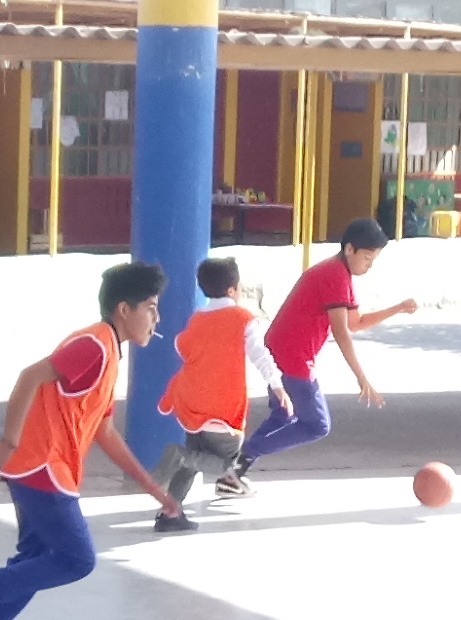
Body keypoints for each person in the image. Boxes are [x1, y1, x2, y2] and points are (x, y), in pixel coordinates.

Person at [0, 261, 183, 620]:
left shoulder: (108, 352)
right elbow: (29, 376)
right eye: (151, 308)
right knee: (76, 559)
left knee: (35, 562)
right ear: (124, 309)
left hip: (44, 469)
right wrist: (8, 441)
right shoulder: (95, 344)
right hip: (42, 467)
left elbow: (105, 432)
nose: (157, 318)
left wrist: (154, 489)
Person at [237, 219, 418, 469]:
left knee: (284, 414)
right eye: (367, 258)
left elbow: (355, 322)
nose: (369, 266)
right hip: (293, 357)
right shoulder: (335, 275)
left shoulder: (338, 272)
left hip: (280, 351)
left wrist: (397, 308)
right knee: (317, 424)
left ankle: (235, 469)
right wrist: (361, 377)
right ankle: (243, 456)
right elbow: (341, 331)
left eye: (373, 260)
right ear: (350, 249)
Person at [150, 256, 263, 529]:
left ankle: (170, 514)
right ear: (232, 290)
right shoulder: (243, 318)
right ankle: (181, 456)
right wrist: (278, 385)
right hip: (223, 413)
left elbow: (182, 347)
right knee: (228, 463)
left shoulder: (198, 319)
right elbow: (261, 355)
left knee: (192, 464)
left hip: (192, 409)